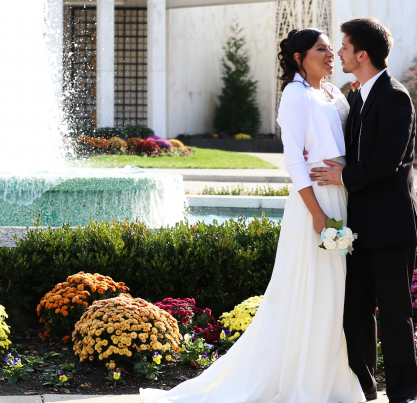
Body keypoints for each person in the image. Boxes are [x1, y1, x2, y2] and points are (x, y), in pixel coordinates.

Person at [140, 28, 364, 403]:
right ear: (298, 57)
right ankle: (300, 382)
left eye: (330, 48)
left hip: (341, 195)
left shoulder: (332, 93)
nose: (330, 55)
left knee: (334, 295)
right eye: (321, 49)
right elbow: (293, 159)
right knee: (309, 292)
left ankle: (330, 379)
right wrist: (318, 215)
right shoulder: (294, 95)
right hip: (316, 204)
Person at [310, 17, 417, 403]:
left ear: (361, 54)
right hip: (357, 227)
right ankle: (365, 387)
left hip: (391, 225)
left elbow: (386, 160)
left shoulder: (395, 96)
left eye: (343, 46)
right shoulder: (356, 96)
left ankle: (404, 394)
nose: (338, 52)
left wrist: (343, 176)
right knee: (353, 311)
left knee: (395, 313)